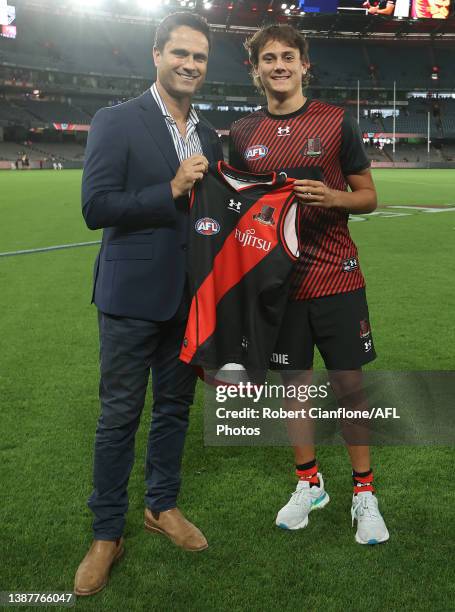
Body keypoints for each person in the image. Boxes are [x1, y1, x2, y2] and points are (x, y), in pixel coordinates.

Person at [75, 12, 223, 597]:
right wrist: (170, 190)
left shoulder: (210, 135)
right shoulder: (116, 121)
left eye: (200, 57)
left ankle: (160, 506)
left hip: (187, 302)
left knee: (173, 412)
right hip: (131, 300)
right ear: (156, 54)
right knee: (118, 419)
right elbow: (97, 207)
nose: (190, 64)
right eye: (180, 53)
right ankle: (106, 532)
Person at [229, 24, 389, 545]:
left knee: (348, 386)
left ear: (304, 65)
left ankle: (363, 492)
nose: (279, 65)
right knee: (294, 388)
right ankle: (309, 483)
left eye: (288, 56)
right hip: (278, 288)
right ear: (255, 70)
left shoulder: (336, 121)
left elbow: (368, 195)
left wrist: (334, 198)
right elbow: (233, 208)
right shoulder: (241, 134)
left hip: (337, 277)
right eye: (268, 58)